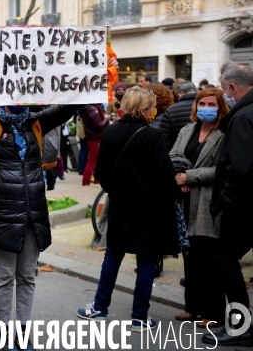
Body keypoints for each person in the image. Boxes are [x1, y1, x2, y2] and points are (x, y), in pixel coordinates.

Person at [0, 103, 78, 349]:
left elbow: (69, 107)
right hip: (3, 212)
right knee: (4, 276)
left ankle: (23, 330)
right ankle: (3, 328)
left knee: (27, 275)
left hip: (31, 213)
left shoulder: (36, 121)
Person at [76, 87, 180, 332]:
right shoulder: (152, 136)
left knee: (113, 255)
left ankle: (100, 308)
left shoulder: (110, 132)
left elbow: (101, 173)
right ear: (144, 109)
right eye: (152, 106)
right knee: (146, 260)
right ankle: (139, 318)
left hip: (121, 205)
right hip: (150, 207)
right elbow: (166, 175)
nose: (155, 110)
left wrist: (117, 191)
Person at [169, 88, 228, 329]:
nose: (206, 107)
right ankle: (192, 307)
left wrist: (189, 177)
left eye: (211, 103)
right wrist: (177, 175)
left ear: (220, 107)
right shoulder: (187, 129)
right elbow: (172, 155)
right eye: (202, 102)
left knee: (209, 259)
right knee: (190, 256)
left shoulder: (224, 133)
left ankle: (213, 311)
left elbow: (222, 169)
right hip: (185, 202)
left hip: (208, 203)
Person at [203, 65, 253, 347]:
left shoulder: (243, 117)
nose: (224, 95)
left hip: (243, 206)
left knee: (224, 257)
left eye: (224, 90)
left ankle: (240, 326)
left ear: (232, 87)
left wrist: (227, 202)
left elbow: (240, 168)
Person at [159, 81, 197, 150]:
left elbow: (164, 139)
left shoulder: (170, 110)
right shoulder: (203, 107)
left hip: (178, 153)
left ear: (179, 95)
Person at [79, 104, 110, 186]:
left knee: (95, 160)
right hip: (95, 138)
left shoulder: (88, 108)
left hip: (91, 137)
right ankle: (86, 182)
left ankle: (96, 179)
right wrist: (106, 119)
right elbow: (99, 125)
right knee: (92, 161)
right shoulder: (93, 110)